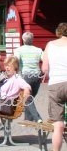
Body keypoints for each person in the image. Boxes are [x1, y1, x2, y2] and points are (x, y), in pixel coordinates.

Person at [42, 22, 67, 151]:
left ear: (58, 32)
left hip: (56, 84)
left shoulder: (50, 45)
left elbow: (44, 68)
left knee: (58, 124)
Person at [14, 31, 43, 122]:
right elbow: (45, 60)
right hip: (37, 76)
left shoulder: (19, 50)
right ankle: (28, 119)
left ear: (23, 40)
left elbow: (16, 61)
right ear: (32, 39)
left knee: (27, 98)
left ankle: (37, 118)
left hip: (25, 75)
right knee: (30, 97)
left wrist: (16, 73)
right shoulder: (39, 50)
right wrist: (42, 72)